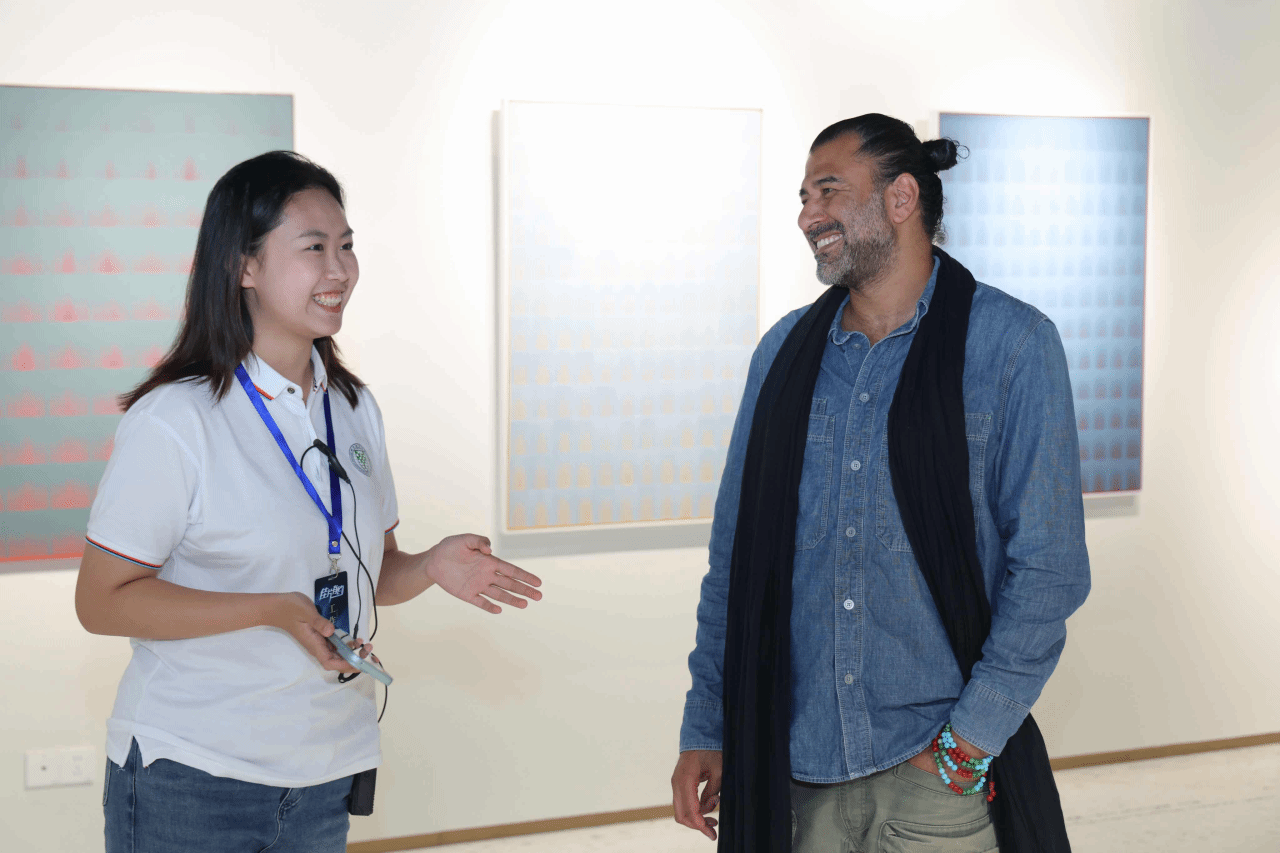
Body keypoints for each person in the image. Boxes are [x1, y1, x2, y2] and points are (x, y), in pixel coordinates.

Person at [75, 151, 543, 853]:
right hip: (193, 772)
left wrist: (429, 565)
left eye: (347, 246)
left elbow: (369, 573)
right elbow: (102, 601)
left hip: (324, 770)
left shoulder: (353, 407)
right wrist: (271, 608)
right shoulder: (177, 419)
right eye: (314, 248)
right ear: (244, 266)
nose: (340, 271)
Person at [671, 114, 1090, 852]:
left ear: (901, 198)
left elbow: (1049, 570)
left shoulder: (1012, 346)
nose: (808, 216)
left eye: (829, 190)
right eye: (804, 197)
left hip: (935, 782)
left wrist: (968, 742)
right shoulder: (782, 355)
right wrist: (707, 720)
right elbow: (734, 558)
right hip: (794, 776)